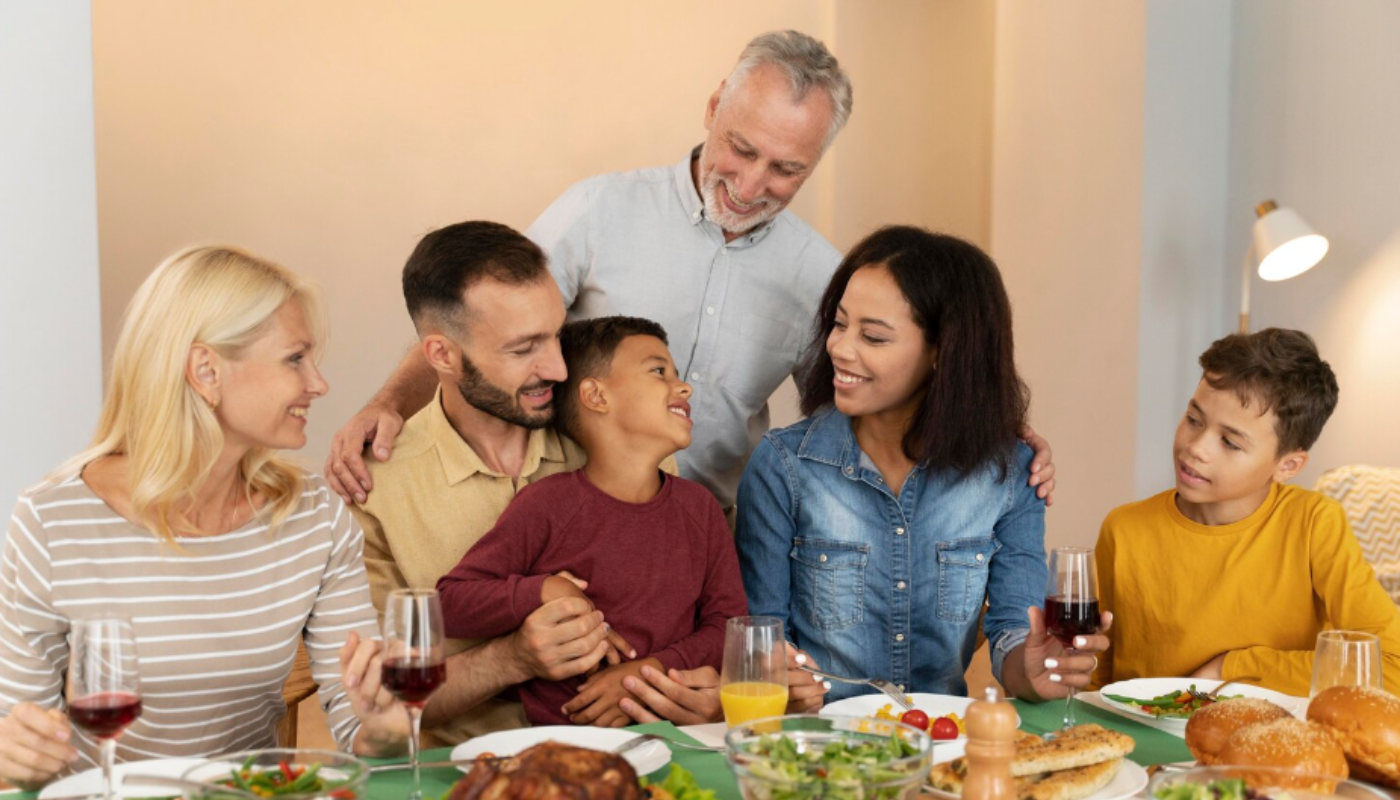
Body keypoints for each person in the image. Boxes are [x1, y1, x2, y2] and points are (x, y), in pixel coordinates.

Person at [323, 30, 1057, 515]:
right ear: (713, 108)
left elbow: (888, 386)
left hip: (713, 532)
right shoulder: (599, 210)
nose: (750, 182)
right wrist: (388, 403)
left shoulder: (823, 277)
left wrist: (1003, 429)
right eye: (741, 147)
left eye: (787, 168)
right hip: (563, 511)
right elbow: (482, 323)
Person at [348, 222, 825, 742]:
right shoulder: (375, 485)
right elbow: (375, 708)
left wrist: (698, 691)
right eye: (524, 347)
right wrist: (512, 657)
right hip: (463, 769)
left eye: (555, 334)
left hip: (645, 752)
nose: (557, 368)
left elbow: (708, 630)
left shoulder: (628, 448)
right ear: (441, 355)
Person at [0, 246, 407, 789]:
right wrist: (15, 752)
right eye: (295, 359)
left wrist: (383, 723)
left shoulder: (313, 515)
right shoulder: (53, 521)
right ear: (205, 369)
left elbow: (358, 720)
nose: (319, 383)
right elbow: (15, 729)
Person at [737, 226, 1108, 703]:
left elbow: (1015, 634)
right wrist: (780, 679)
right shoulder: (783, 466)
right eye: (839, 323)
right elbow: (761, 641)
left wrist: (1037, 670)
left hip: (943, 743)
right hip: (821, 751)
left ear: (943, 352)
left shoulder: (1011, 472)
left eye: (872, 335)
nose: (840, 348)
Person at [436, 316, 748, 727]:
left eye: (676, 374)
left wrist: (645, 672)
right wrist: (545, 589)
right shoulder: (547, 506)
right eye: (659, 371)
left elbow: (728, 626)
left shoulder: (701, 509)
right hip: (564, 753)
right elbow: (449, 603)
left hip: (679, 742)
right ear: (596, 396)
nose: (683, 386)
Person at [1093, 329, 1400, 696]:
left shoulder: (1314, 523)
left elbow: (1390, 665)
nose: (1196, 447)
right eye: (1194, 419)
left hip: (1263, 741)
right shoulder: (1124, 528)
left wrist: (1234, 667)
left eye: (1230, 442)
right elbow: (1097, 679)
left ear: (1287, 465)